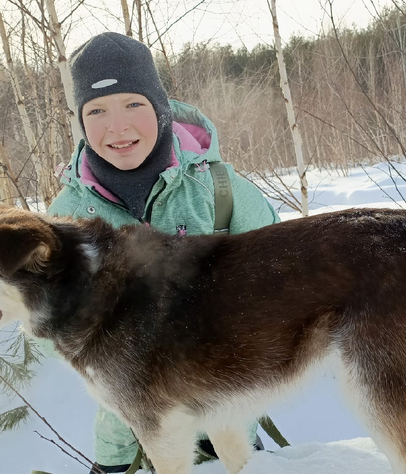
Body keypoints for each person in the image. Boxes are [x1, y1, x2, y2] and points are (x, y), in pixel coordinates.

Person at [46, 32, 280, 473]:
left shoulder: (223, 194)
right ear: (80, 119)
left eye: (133, 103)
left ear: (160, 107)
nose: (117, 127)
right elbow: (49, 330)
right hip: (130, 443)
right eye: (96, 110)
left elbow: (287, 292)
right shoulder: (65, 220)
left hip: (226, 439)